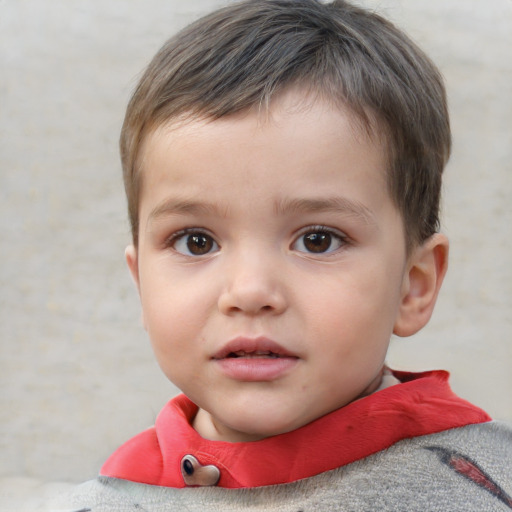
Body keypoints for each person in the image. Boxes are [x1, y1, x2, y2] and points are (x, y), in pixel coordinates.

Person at [50, 0, 512, 510]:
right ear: (142, 285)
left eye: (318, 239)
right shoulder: (104, 498)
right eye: (196, 241)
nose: (249, 291)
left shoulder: (479, 488)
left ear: (414, 284)